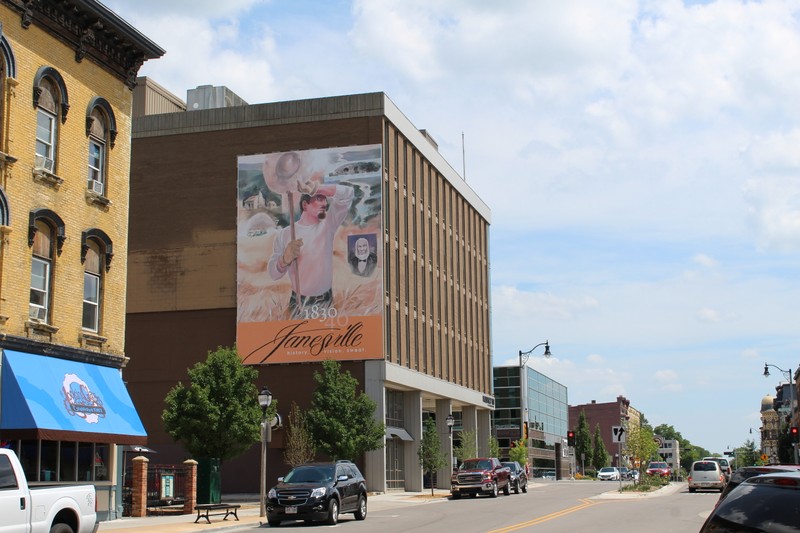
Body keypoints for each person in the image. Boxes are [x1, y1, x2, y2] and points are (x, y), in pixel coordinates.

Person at [268, 179, 354, 318]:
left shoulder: (328, 225)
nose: (325, 204)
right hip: (298, 302)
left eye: (325, 200)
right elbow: (273, 274)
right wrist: (283, 260)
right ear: (305, 204)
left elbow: (348, 194)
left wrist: (316, 189)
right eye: (319, 199)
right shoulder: (285, 234)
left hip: (326, 301)